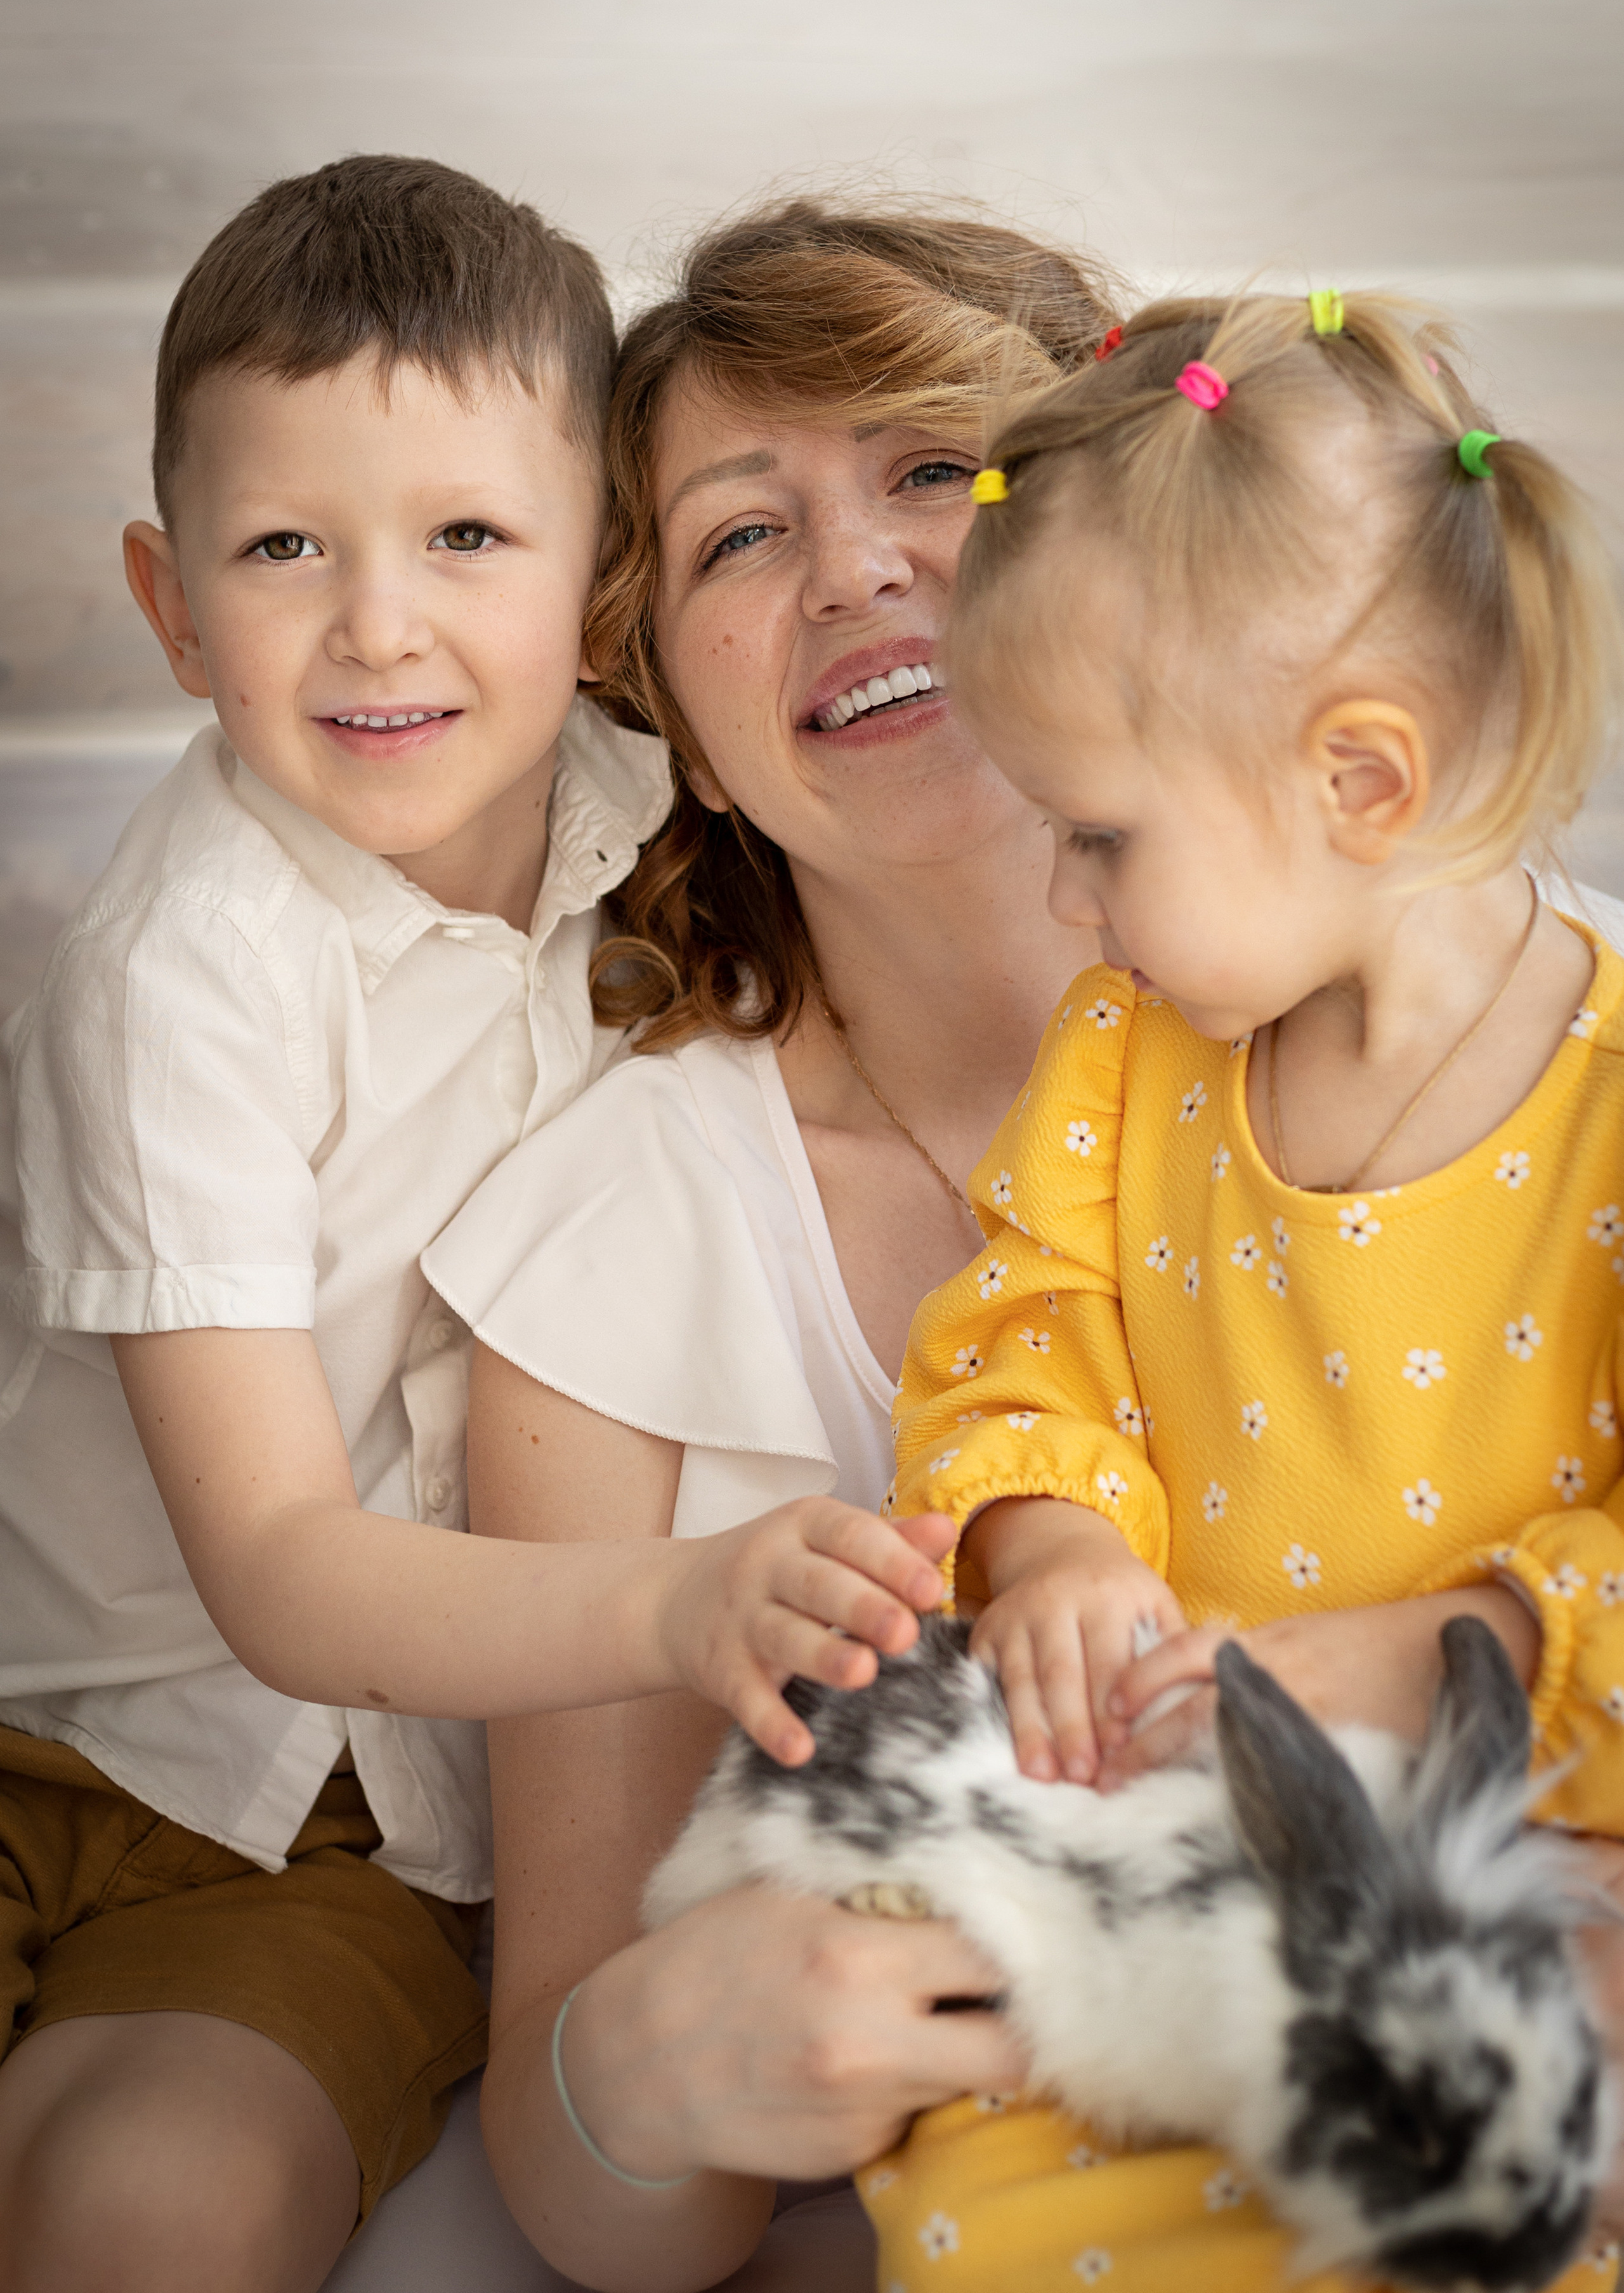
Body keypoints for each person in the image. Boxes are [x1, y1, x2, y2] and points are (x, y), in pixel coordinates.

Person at [0, 159, 945, 2293]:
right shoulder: (189, 974)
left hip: (332, 1826)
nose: (378, 624)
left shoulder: (661, 798)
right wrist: (676, 1606)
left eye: (467, 539)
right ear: (169, 604)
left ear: (599, 580)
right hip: (77, 1703)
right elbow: (278, 1570)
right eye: (283, 548)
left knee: (153, 2211)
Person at [879, 289, 1624, 2287]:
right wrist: (1051, 1546)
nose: (1066, 899)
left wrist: (1433, 1655)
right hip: (1199, 1874)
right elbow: (1021, 1341)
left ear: (1361, 781)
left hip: (1536, 1895)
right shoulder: (1130, 1062)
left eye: (1098, 834)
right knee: (977, 2219)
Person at [419, 195, 1118, 2290]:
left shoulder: (1496, 1029)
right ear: (671, 721)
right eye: (741, 535)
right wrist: (648, 2075)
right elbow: (575, 2167)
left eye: (935, 469)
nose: (856, 569)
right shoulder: (617, 1250)